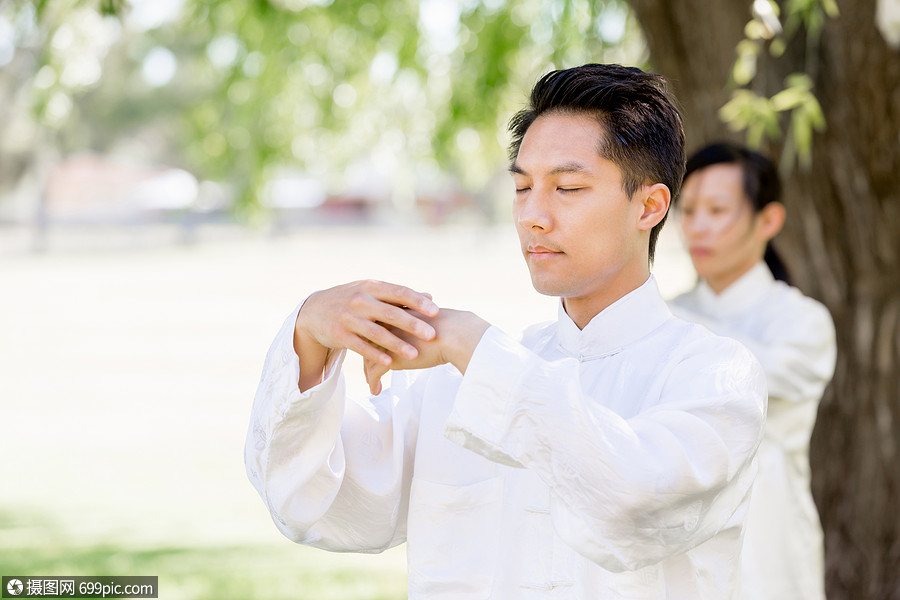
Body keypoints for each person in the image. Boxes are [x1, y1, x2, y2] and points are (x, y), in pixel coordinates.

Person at [245, 64, 767, 598]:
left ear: (650, 206)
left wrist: (470, 344)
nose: (532, 216)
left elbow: (632, 505)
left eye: (567, 187)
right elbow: (315, 502)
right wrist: (310, 335)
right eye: (522, 187)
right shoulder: (458, 379)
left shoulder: (714, 376)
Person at [668, 142, 837, 600]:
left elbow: (736, 378)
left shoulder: (803, 322)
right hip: (680, 545)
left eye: (717, 209)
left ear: (768, 220)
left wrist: (654, 323)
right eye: (688, 210)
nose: (697, 226)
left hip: (771, 544)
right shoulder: (668, 315)